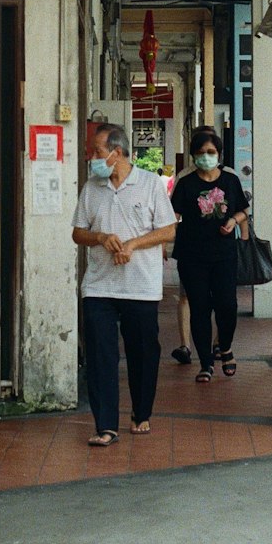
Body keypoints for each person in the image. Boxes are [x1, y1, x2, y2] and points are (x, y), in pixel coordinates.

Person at [72, 123, 176, 445]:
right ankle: (105, 425)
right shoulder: (92, 188)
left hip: (141, 286)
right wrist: (101, 238)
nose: (92, 157)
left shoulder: (149, 185)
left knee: (143, 353)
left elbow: (169, 230)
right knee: (100, 355)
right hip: (99, 286)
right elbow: (78, 232)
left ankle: (141, 413)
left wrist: (132, 245)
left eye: (97, 152)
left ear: (117, 153)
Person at [170, 127, 250, 383]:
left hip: (224, 254)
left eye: (211, 152)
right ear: (194, 155)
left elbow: (243, 211)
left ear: (219, 154)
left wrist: (233, 222)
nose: (206, 156)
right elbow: (173, 216)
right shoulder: (186, 183)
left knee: (227, 305)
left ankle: (224, 347)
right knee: (200, 308)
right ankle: (205, 362)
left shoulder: (230, 181)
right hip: (192, 255)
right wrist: (162, 241)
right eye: (202, 152)